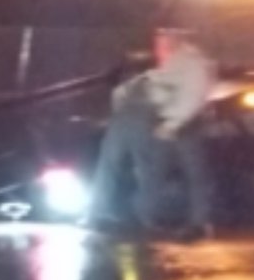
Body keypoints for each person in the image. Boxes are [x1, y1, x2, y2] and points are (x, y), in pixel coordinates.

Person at [147, 28, 218, 240]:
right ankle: (153, 217)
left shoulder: (192, 63)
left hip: (185, 125)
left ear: (173, 40)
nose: (157, 47)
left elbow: (192, 99)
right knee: (158, 170)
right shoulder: (174, 62)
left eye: (161, 42)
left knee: (193, 174)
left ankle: (199, 223)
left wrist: (172, 123)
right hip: (171, 123)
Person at [87, 68, 162, 232]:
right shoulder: (156, 81)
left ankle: (95, 213)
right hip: (142, 122)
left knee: (107, 168)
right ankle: (146, 216)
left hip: (120, 122)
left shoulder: (124, 87)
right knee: (147, 170)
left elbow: (116, 102)